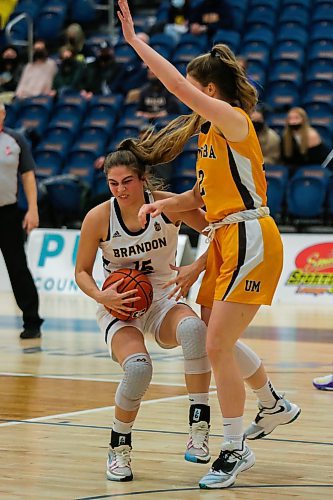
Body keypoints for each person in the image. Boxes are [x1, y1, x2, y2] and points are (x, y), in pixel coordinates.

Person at [116, 0, 300, 489]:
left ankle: (235, 446)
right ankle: (274, 404)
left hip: (251, 236)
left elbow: (174, 83)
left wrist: (137, 43)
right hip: (222, 240)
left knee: (217, 343)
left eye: (194, 91)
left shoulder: (235, 121)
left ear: (209, 91)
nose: (185, 98)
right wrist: (162, 205)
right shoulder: (208, 139)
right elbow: (201, 197)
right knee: (218, 336)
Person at [75, 148, 213, 481]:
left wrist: (197, 266)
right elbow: (81, 271)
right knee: (138, 369)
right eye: (113, 183)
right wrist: (100, 294)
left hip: (163, 299)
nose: (120, 190)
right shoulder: (99, 217)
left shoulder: (168, 205)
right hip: (120, 305)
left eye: (127, 182)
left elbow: (221, 235)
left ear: (142, 179)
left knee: (195, 330)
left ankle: (199, 425)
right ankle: (118, 448)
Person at [0, 103, 43, 339]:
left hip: (7, 213)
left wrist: (33, 209)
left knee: (17, 267)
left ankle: (32, 321)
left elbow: (28, 176)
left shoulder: (15, 140)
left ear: (4, 114)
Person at [281, 107, 330, 177]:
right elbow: (287, 158)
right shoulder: (286, 136)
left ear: (303, 119)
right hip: (299, 167)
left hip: (319, 166)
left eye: (296, 118)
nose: (293, 121)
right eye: (290, 118)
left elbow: (313, 159)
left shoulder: (311, 135)